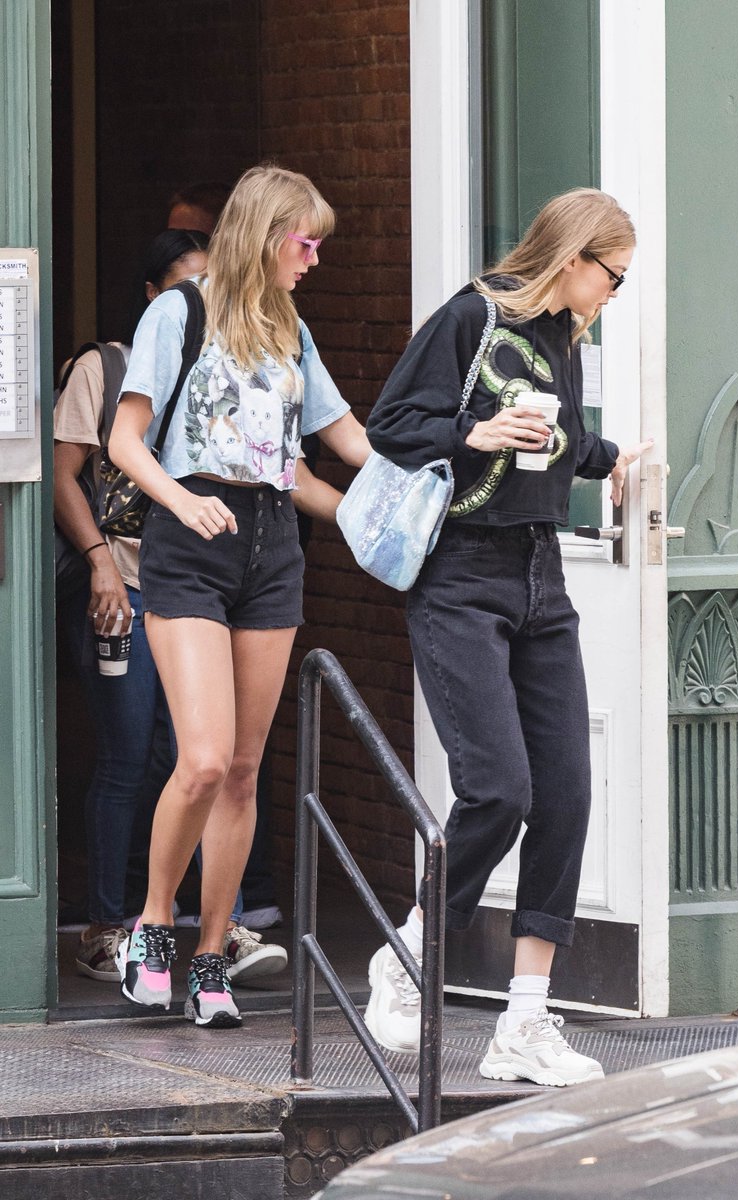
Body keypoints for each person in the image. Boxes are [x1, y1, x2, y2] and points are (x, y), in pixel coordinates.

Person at [363, 187, 653, 1086]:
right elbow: (392, 427)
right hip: (459, 577)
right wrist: (474, 430)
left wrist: (611, 461)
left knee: (564, 792)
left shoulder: (565, 336)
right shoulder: (471, 317)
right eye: (614, 275)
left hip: (539, 575)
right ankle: (410, 950)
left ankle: (525, 1022)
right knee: (500, 790)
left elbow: (552, 436)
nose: (615, 292)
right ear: (572, 258)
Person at [109, 163, 370, 1029]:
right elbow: (125, 440)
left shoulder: (290, 329)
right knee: (206, 758)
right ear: (264, 234)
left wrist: (404, 505)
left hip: (271, 546)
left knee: (248, 770)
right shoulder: (176, 313)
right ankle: (154, 924)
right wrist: (179, 499)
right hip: (190, 539)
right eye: (306, 241)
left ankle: (212, 955)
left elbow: (334, 448)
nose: (314, 259)